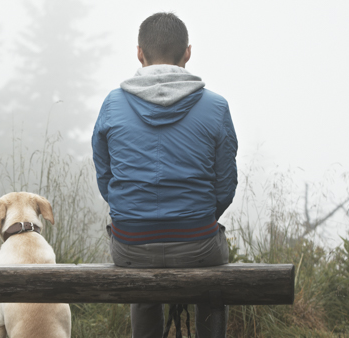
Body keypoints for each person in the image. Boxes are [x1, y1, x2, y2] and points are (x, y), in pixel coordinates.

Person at [91, 12, 238, 338]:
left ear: (140, 54)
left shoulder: (112, 105)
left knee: (141, 270)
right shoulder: (216, 106)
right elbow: (226, 184)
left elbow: (105, 176)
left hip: (130, 245)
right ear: (187, 52)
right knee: (214, 273)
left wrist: (134, 213)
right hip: (198, 244)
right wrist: (194, 219)